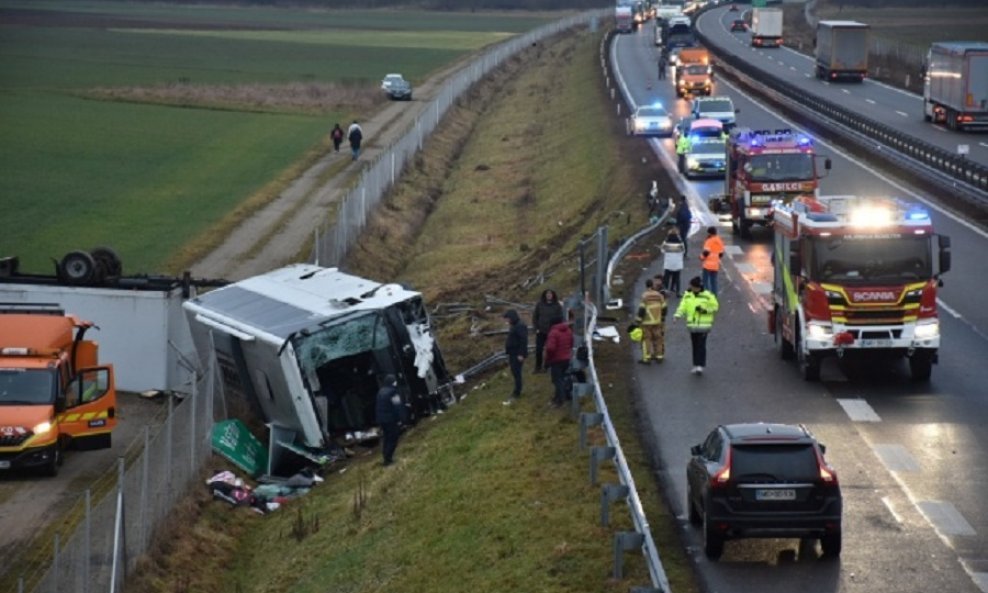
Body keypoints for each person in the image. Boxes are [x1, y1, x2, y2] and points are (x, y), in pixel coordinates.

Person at [674, 276, 720, 375]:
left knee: (701, 345)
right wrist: (677, 315)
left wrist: (704, 310)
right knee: (695, 345)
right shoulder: (688, 295)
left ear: (698, 287)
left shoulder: (708, 296)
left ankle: (700, 365)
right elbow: (683, 306)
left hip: (703, 325)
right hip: (692, 326)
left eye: (693, 286)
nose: (691, 287)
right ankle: (695, 364)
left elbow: (715, 307)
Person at [544, 315, 574, 407]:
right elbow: (572, 343)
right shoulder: (568, 330)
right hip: (566, 358)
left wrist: (548, 359)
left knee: (557, 380)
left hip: (556, 360)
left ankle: (560, 400)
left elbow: (550, 348)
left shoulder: (553, 332)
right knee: (563, 378)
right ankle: (560, 397)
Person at [532, 289, 563, 374]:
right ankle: (537, 367)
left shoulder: (557, 306)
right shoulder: (540, 304)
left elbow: (560, 318)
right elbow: (535, 317)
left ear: (553, 295)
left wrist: (556, 330)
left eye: (550, 294)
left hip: (552, 332)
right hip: (541, 331)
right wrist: (536, 328)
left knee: (550, 350)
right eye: (547, 294)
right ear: (545, 295)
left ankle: (547, 366)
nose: (549, 295)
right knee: (538, 350)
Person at [636, 279, 667, 363]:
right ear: (652, 286)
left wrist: (638, 320)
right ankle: (659, 356)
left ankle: (647, 357)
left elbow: (641, 310)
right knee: (658, 338)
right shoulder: (659, 295)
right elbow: (664, 307)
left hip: (647, 322)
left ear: (646, 286)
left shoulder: (644, 296)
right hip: (657, 321)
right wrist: (662, 318)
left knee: (647, 339)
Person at [375, 374, 402, 465]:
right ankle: (388, 458)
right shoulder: (393, 392)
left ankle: (385, 456)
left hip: (381, 419)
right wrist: (400, 418)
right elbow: (397, 406)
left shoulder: (381, 391)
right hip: (390, 419)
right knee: (393, 437)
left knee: (386, 438)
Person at [502, 309, 528, 405]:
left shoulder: (520, 326)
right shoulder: (515, 325)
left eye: (507, 318)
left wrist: (521, 354)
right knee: (514, 372)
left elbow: (523, 341)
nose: (507, 321)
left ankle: (517, 391)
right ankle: (517, 390)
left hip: (517, 354)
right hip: (513, 353)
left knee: (517, 373)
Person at [700, 226, 725, 296]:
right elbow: (721, 253)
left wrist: (701, 257)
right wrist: (716, 259)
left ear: (709, 233)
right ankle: (714, 296)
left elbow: (706, 252)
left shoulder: (709, 241)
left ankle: (707, 296)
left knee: (705, 281)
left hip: (707, 265)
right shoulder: (719, 240)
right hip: (715, 265)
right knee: (714, 282)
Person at [661, 227, 685, 296]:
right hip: (677, 263)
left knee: (667, 277)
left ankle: (665, 291)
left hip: (668, 263)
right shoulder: (680, 241)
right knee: (677, 278)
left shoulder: (666, 241)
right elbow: (683, 251)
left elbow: (662, 250)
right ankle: (677, 292)